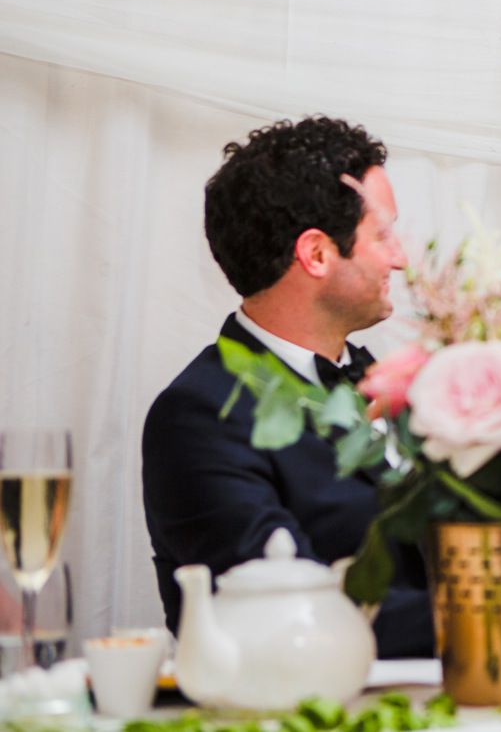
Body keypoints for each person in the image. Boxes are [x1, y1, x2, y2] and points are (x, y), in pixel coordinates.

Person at [141, 117, 432, 658]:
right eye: (382, 234)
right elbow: (283, 625)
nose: (400, 257)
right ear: (316, 254)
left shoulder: (396, 384)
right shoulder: (200, 414)